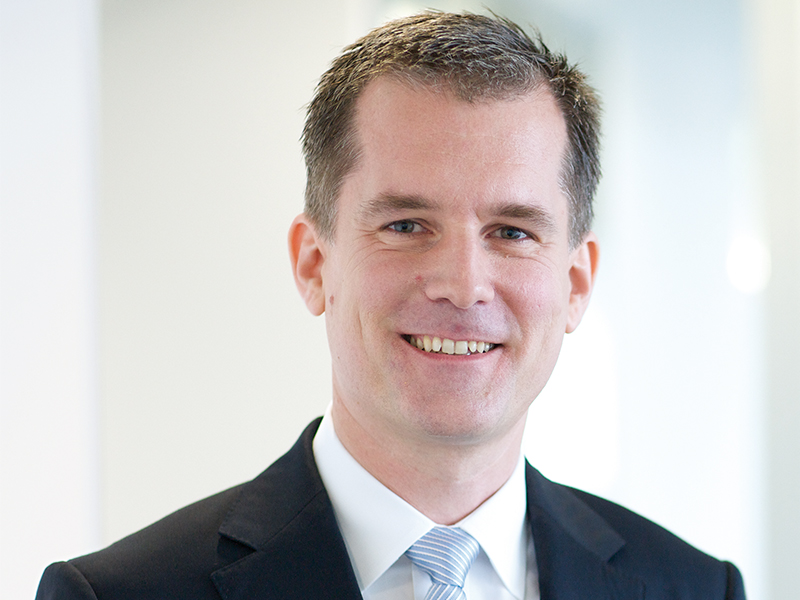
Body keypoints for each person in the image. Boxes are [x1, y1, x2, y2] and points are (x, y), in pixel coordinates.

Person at [37, 11, 746, 600]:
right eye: (406, 225)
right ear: (314, 264)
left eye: (511, 232)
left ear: (577, 285)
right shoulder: (118, 594)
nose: (463, 285)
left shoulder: (694, 589)